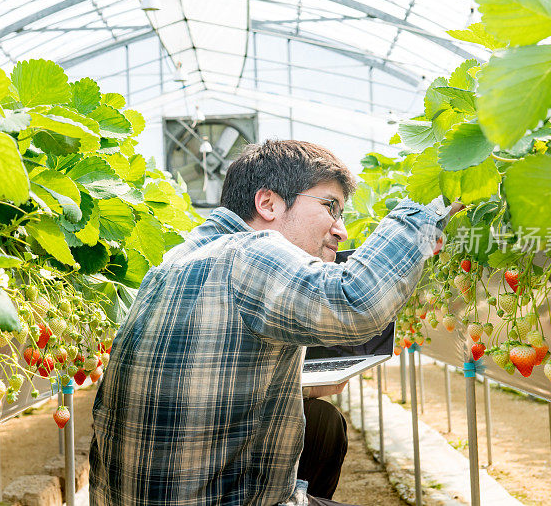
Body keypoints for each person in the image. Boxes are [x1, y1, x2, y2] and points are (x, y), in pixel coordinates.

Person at [89, 139, 460, 506]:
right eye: (331, 207)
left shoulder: (177, 258)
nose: (340, 230)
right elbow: (355, 302)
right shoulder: (249, 253)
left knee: (321, 423)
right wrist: (431, 204)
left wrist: (300, 387)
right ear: (268, 203)